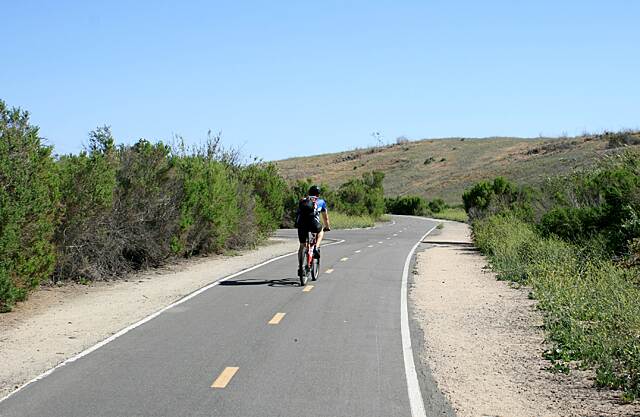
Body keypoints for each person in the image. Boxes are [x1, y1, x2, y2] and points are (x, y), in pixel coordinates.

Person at [295, 185, 330, 277]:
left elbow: (298, 213)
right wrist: (327, 226)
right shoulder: (321, 202)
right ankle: (316, 248)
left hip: (302, 225)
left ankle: (301, 267)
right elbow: (325, 217)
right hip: (313, 224)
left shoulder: (303, 200)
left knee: (302, 246)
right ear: (318, 194)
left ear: (309, 193)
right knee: (321, 230)